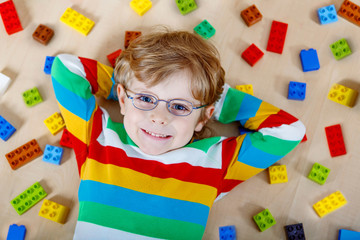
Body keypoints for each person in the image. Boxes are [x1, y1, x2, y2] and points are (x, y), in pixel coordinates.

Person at [51, 28, 306, 240]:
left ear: (204, 117)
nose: (160, 117)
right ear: (122, 98)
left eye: (180, 106)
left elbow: (289, 131)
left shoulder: (215, 162)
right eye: (146, 98)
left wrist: (216, 100)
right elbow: (66, 69)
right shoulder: (99, 140)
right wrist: (128, 88)